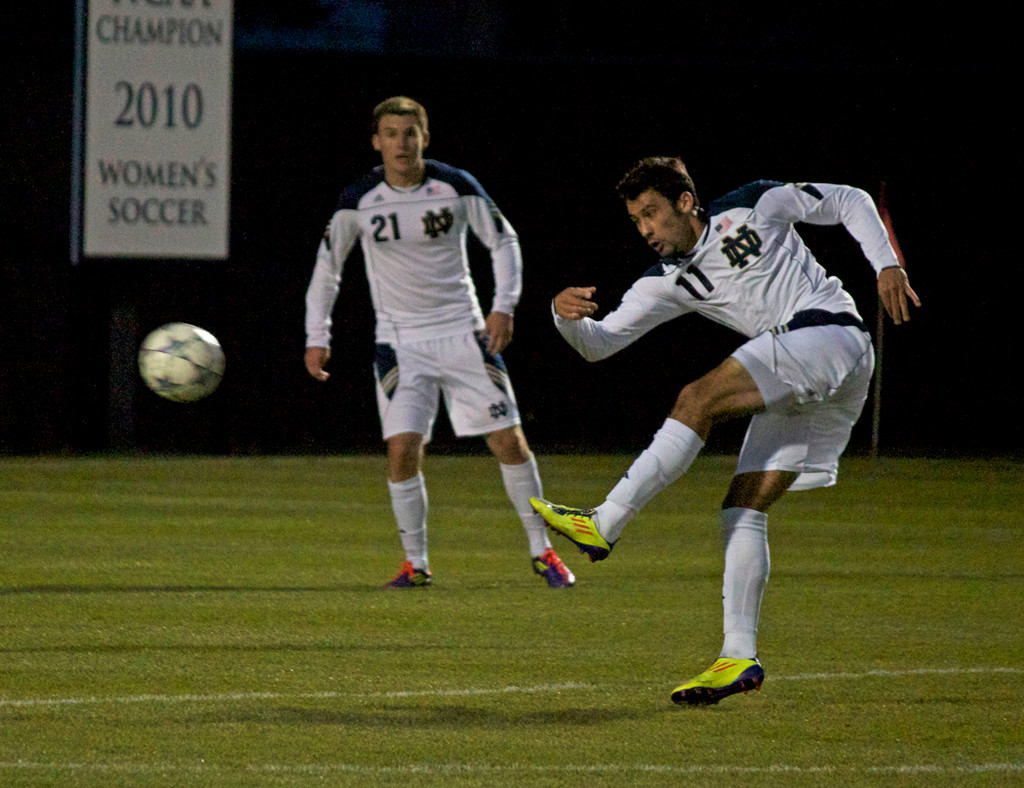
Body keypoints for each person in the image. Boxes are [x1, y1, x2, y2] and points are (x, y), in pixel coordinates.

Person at [530, 156, 920, 703]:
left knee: (697, 398)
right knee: (742, 509)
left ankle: (605, 522)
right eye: (636, 220)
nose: (645, 229)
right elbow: (600, 343)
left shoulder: (754, 203)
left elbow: (849, 199)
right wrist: (562, 317)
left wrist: (886, 263)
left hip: (830, 334)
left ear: (686, 202)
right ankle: (739, 657)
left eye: (652, 213)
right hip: (810, 365)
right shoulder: (664, 282)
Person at [304, 96, 574, 589]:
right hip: (400, 344)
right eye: (391, 133)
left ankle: (544, 551)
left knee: (509, 442)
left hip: (464, 333)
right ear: (376, 141)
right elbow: (328, 270)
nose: (401, 143)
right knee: (402, 450)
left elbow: (504, 241)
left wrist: (504, 306)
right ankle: (416, 563)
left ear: (425, 138)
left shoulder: (455, 186)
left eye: (410, 133)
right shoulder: (358, 199)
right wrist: (316, 335)